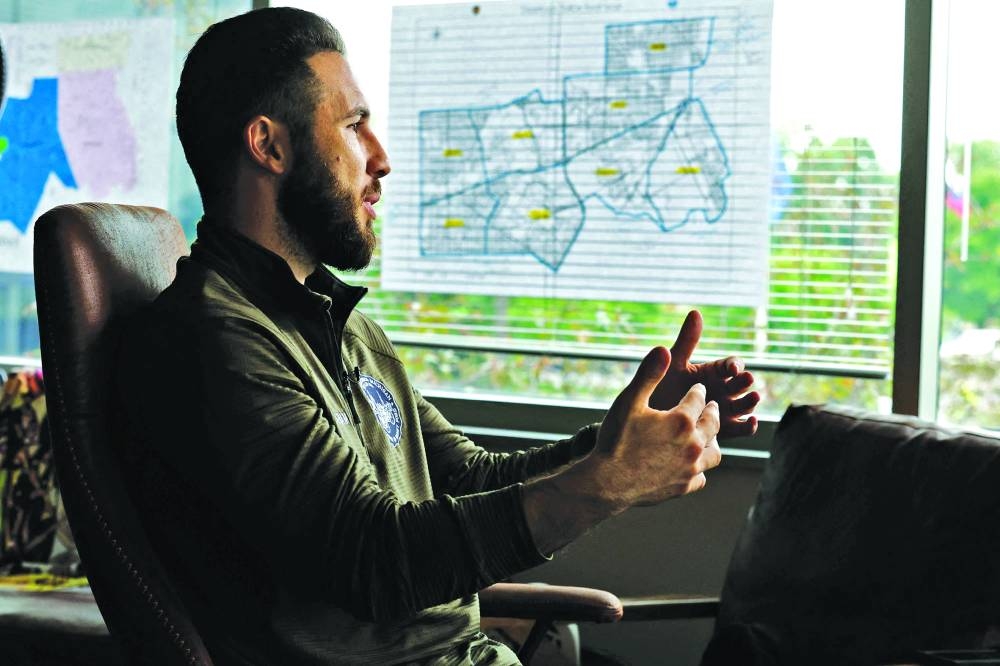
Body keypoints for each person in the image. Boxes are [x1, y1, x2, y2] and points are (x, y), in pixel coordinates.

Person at [115, 7, 760, 665]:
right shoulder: (215, 341)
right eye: (353, 126)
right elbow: (371, 558)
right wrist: (606, 482)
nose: (381, 159)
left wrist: (622, 440)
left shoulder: (336, 322)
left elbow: (466, 479)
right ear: (269, 146)